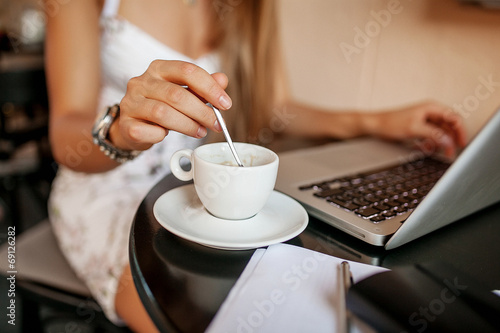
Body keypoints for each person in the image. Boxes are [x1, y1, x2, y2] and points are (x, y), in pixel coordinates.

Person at [43, 0, 466, 331]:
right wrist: (120, 129)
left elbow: (272, 109)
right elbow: (65, 134)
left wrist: (376, 121)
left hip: (197, 190)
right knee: (192, 316)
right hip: (106, 188)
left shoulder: (248, 5)